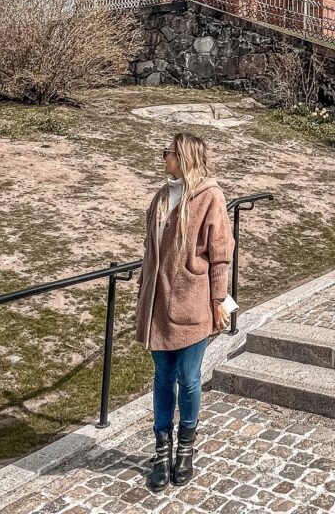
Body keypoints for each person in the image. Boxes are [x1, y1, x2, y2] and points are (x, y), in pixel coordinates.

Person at [136, 131, 234, 491]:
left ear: (185, 157)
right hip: (158, 307)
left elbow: (221, 254)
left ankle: (186, 448)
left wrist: (218, 301)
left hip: (193, 303)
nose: (164, 158)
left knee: (188, 378)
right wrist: (143, 294)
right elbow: (149, 250)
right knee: (163, 377)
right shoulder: (161, 197)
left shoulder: (211, 197)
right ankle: (162, 449)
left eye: (170, 153)